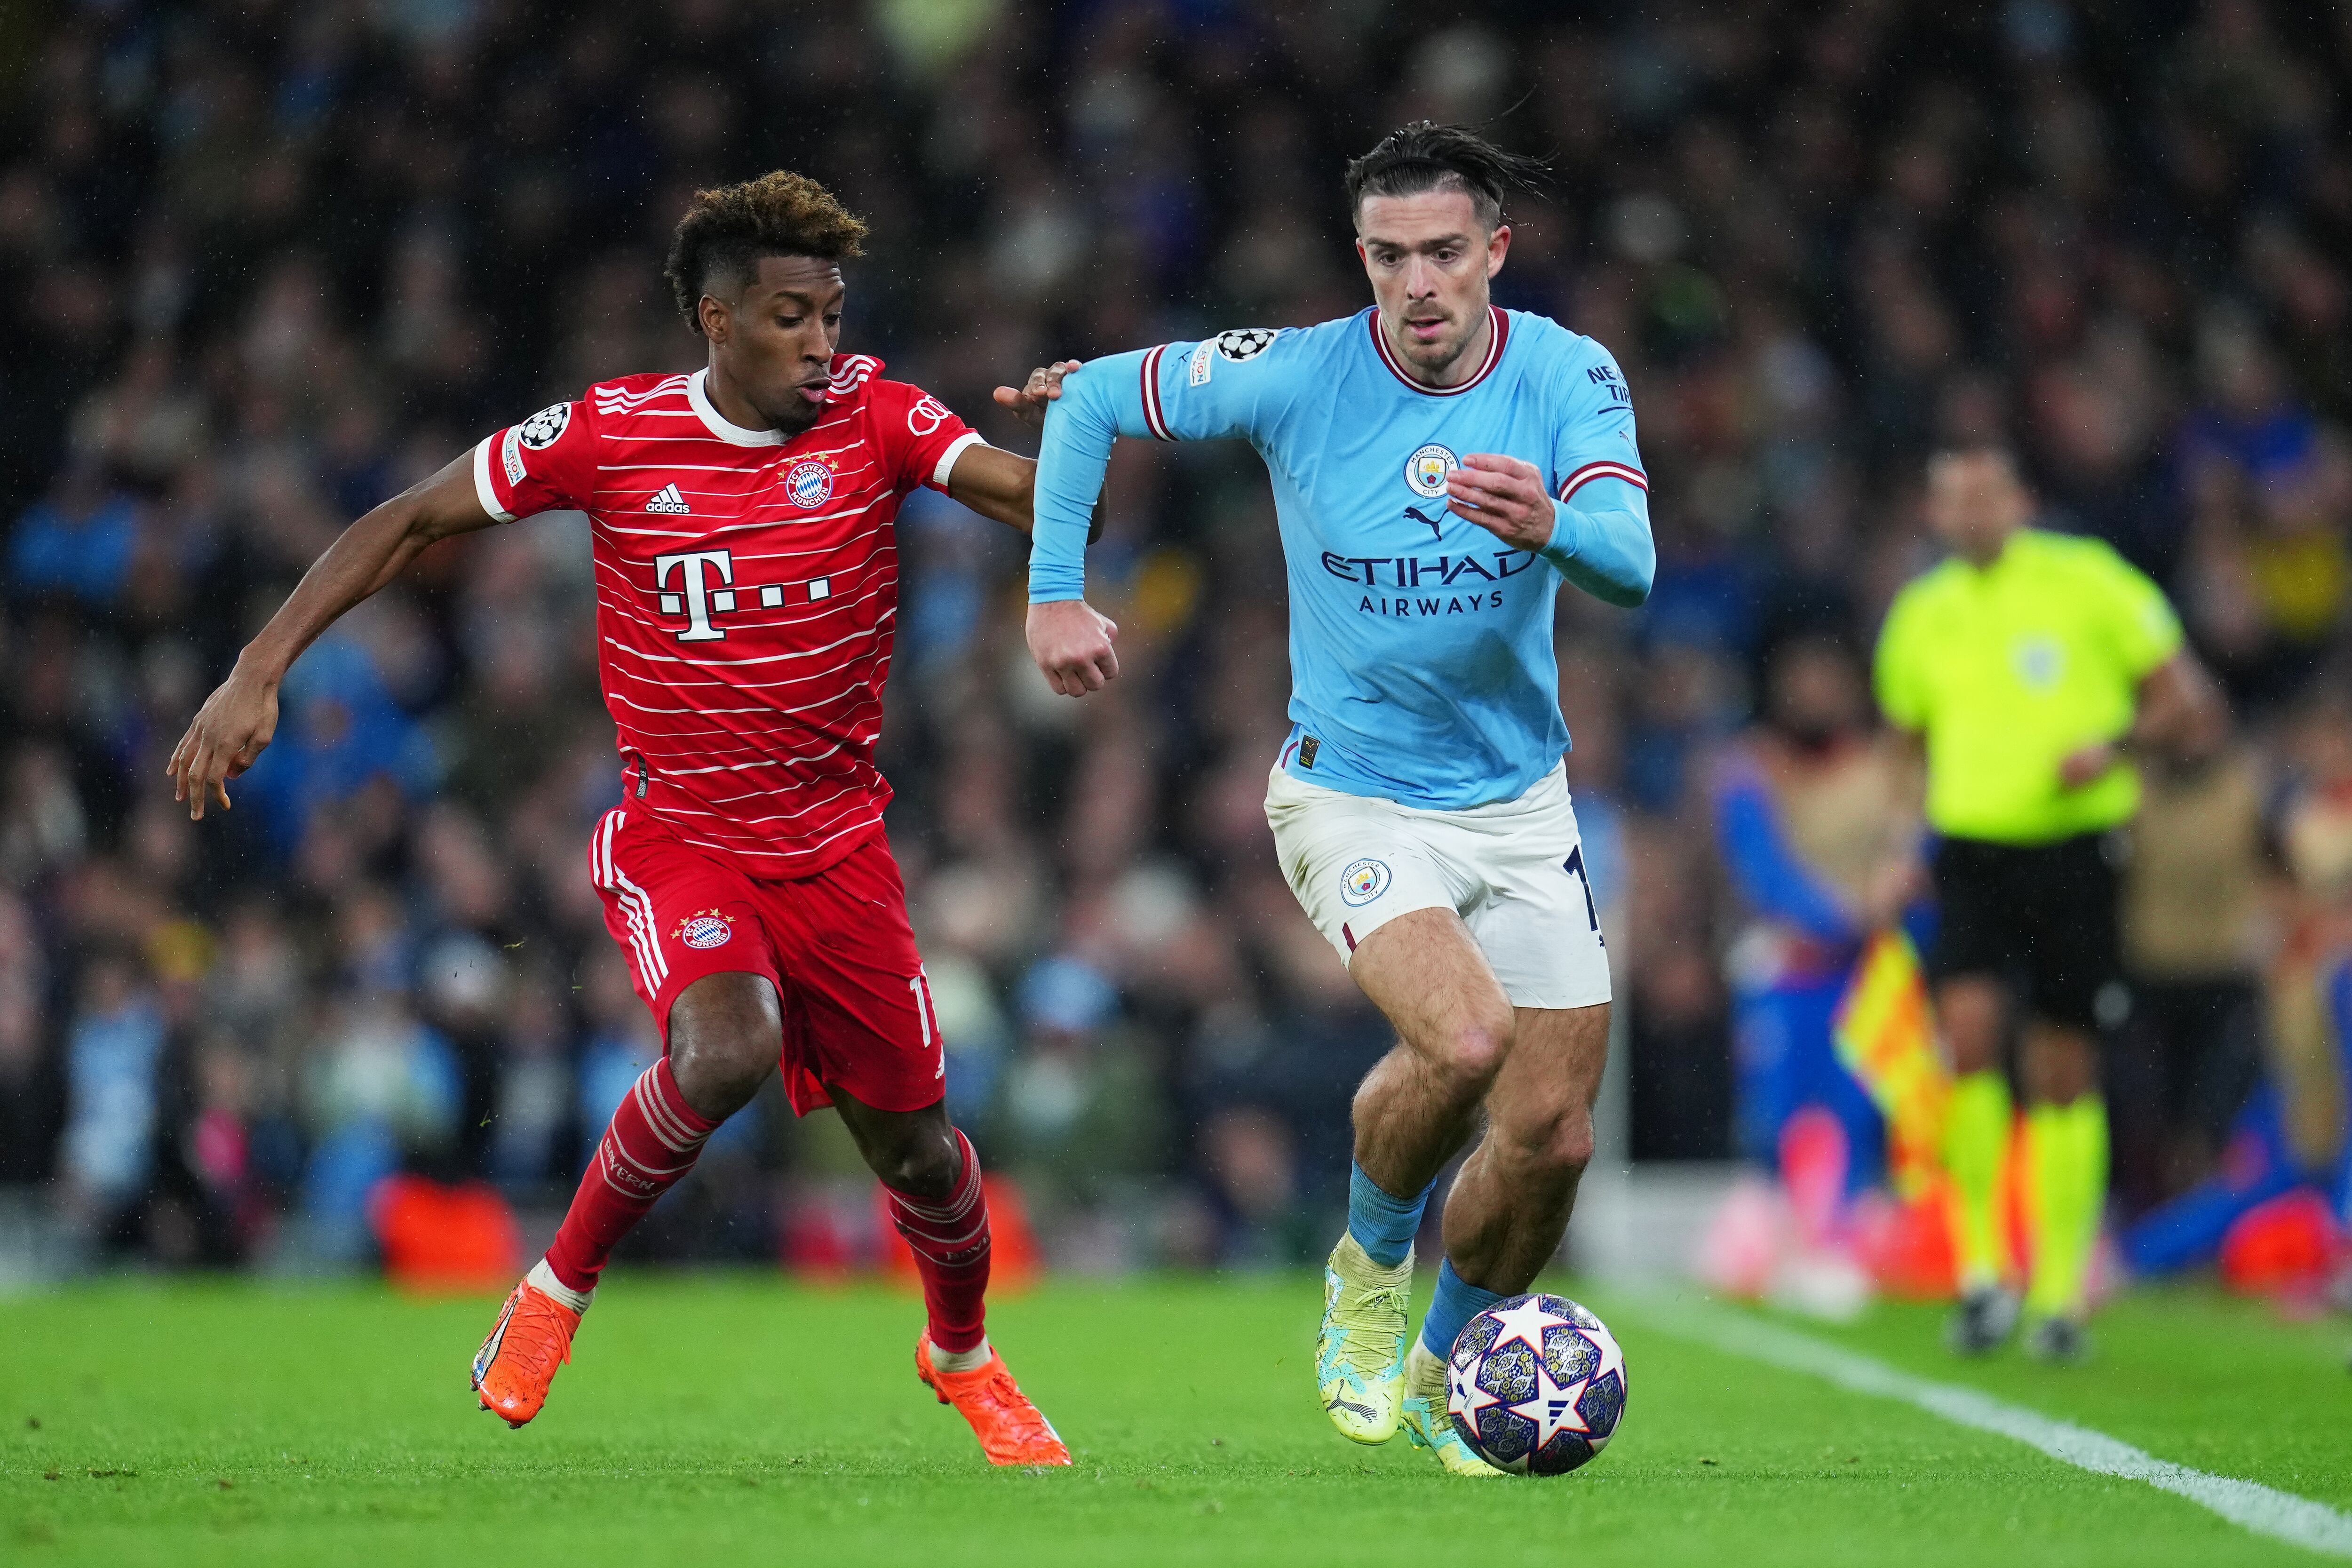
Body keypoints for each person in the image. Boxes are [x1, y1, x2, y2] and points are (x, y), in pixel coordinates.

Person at [165, 171, 1080, 1465]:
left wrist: (1088, 444)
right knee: (725, 1048)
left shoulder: (875, 410)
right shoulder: (610, 432)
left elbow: (1011, 486)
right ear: (715, 320)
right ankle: (551, 1293)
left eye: (830, 313)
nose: (821, 342)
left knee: (926, 1157)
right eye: (787, 315)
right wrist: (260, 666)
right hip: (681, 831)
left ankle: (964, 1352)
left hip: (838, 845)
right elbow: (412, 516)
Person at [1020, 122, 1654, 1476]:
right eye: (1388, 256)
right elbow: (1085, 402)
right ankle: (1368, 1275)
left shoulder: (1567, 373)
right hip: (1350, 794)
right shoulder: (1298, 372)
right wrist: (1055, 592)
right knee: (1467, 1040)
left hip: (1522, 805)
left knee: (1553, 1136)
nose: (1417, 283)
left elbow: (1634, 563)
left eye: (1442, 252)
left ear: (1495, 250)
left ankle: (1449, 1364)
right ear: (1359, 259)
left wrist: (1555, 525)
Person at [1872, 445, 2224, 1362]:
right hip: (1970, 853)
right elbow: (1905, 746)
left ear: (2019, 500)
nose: (1971, 515)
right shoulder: (1921, 614)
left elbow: (2184, 701)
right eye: (1953, 501)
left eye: (1986, 496)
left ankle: (2062, 1293)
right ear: (1934, 514)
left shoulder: (2090, 583)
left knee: (2062, 1066)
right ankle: (1986, 1272)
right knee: (1969, 1040)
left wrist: (2112, 746)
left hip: (2074, 852)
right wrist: (1899, 845)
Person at [1711, 633, 1923, 1194]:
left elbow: (1916, 845)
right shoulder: (1749, 771)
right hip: (1789, 967)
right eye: (1800, 684)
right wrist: (1845, 914)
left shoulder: (1888, 766)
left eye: (1826, 682)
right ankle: (1783, 1228)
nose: (1814, 695)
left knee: (1864, 1106)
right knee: (1778, 1112)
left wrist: (1897, 882)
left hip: (1873, 970)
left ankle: (1857, 1226)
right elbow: (1762, 873)